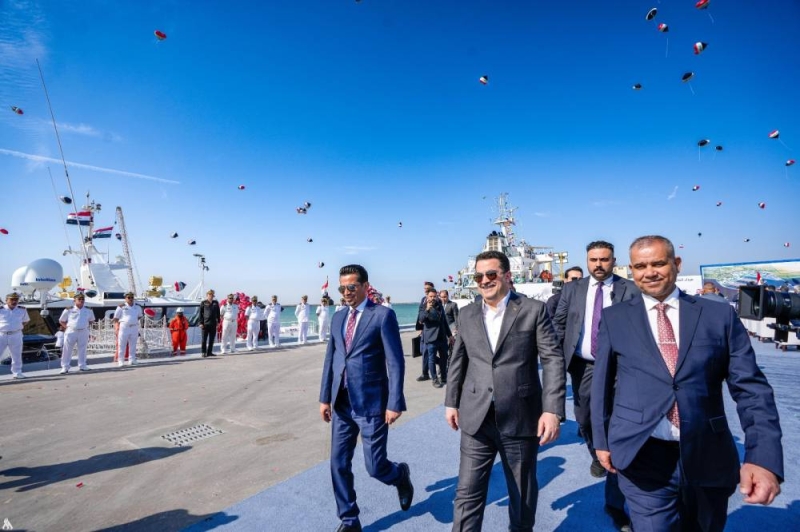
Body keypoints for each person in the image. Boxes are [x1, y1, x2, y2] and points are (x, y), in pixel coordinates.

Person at [591, 235, 784, 531]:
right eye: (640, 266)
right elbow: (601, 386)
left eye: (658, 263)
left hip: (707, 452)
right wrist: (602, 442)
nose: (649, 272)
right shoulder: (615, 318)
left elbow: (751, 390)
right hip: (642, 453)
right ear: (631, 270)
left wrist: (763, 458)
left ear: (676, 263)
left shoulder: (718, 315)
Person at [445, 250, 566, 531]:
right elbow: (458, 360)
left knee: (521, 494)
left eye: (491, 274)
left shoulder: (533, 310)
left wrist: (552, 410)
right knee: (467, 493)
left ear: (507, 276)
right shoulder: (467, 314)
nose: (484, 280)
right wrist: (451, 402)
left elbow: (552, 359)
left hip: (520, 416)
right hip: (476, 418)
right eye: (478, 276)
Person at [319, 264, 413, 532]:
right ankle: (349, 519)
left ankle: (399, 475)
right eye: (342, 288)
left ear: (364, 286)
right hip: (342, 403)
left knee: (375, 467)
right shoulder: (338, 317)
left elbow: (395, 362)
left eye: (351, 287)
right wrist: (324, 397)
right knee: (338, 463)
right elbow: (331, 359)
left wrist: (394, 402)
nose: (346, 292)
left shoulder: (382, 315)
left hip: (372, 404)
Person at [553, 241, 637, 530]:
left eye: (604, 259)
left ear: (613, 260)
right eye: (593, 259)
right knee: (586, 419)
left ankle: (615, 502)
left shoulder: (630, 289)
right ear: (587, 261)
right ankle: (597, 452)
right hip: (584, 367)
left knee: (619, 429)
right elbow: (559, 324)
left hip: (621, 368)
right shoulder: (572, 290)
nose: (598, 264)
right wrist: (555, 359)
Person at [418, 290, 452, 388]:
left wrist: (449, 335)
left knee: (444, 358)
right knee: (431, 359)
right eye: (431, 296)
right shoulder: (423, 306)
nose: (433, 298)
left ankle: (444, 377)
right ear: (427, 297)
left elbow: (444, 321)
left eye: (434, 296)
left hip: (442, 337)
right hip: (431, 338)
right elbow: (421, 320)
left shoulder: (439, 305)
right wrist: (427, 310)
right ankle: (434, 379)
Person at [58, 293, 96, 373]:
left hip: (83, 331)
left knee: (83, 349)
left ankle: (82, 365)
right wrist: (67, 327)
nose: (81, 301)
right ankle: (65, 367)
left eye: (83, 299)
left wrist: (84, 326)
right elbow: (61, 320)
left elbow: (91, 320)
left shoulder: (88, 310)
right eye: (79, 299)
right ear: (74, 301)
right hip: (71, 331)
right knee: (67, 349)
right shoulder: (69, 310)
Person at [0, 292, 30, 379]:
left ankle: (17, 372)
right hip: (2, 334)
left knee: (16, 355)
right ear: (6, 300)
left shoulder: (22, 310)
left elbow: (26, 320)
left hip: (16, 334)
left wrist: (18, 327)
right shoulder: (1, 309)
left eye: (16, 299)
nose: (14, 301)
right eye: (12, 299)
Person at [113, 292, 143, 367]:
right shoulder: (121, 307)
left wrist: (132, 321)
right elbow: (116, 318)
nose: (130, 299)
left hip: (134, 327)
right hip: (124, 327)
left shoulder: (138, 307)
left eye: (132, 297)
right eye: (128, 297)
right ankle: (121, 360)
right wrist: (117, 327)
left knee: (133, 344)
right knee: (122, 344)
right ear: (125, 298)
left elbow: (139, 316)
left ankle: (132, 359)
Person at [415, 282, 436, 382]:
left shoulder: (436, 300)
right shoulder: (423, 299)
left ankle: (425, 374)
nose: (425, 290)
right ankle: (441, 363)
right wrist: (420, 327)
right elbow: (420, 313)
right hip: (423, 330)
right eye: (424, 288)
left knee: (427, 353)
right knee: (422, 351)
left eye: (427, 288)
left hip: (432, 332)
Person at [199, 289, 220, 357]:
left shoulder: (215, 303)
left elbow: (218, 313)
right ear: (207, 295)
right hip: (205, 324)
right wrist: (201, 323)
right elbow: (200, 313)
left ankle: (209, 352)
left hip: (213, 324)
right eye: (209, 295)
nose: (211, 296)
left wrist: (218, 322)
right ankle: (203, 352)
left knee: (211, 339)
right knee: (204, 339)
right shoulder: (203, 302)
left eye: (212, 295)